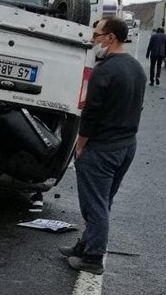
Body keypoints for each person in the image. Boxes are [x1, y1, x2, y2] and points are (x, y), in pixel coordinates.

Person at [60, 16, 147, 275]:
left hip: (102, 149)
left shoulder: (104, 71)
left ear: (111, 37)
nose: (92, 39)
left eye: (97, 34)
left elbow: (91, 114)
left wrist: (80, 145)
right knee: (103, 200)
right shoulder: (136, 68)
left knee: (94, 205)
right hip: (126, 146)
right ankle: (85, 246)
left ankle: (93, 258)